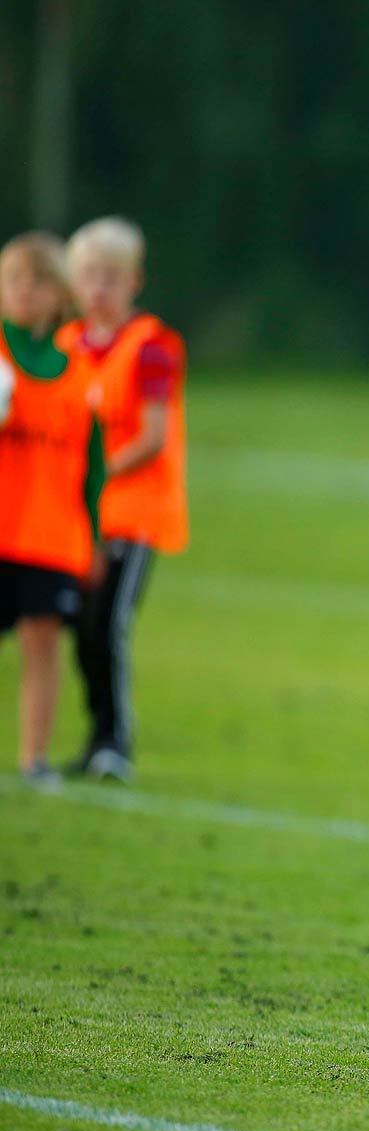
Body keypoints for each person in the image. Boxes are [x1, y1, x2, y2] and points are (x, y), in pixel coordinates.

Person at [56, 217, 189, 783]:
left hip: (133, 512)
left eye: (111, 277)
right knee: (80, 625)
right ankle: (95, 737)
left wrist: (94, 473)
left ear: (134, 281)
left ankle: (115, 741)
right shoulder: (64, 347)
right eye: (88, 276)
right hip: (73, 517)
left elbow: (152, 435)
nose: (98, 288)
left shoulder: (151, 348)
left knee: (109, 622)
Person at [0, 231, 104, 789]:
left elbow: (93, 466)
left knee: (43, 646)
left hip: (52, 536)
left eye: (38, 282)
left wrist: (91, 536)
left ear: (60, 293)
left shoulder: (78, 372)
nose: (24, 292)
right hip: (1, 529)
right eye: (13, 279)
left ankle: (33, 758)